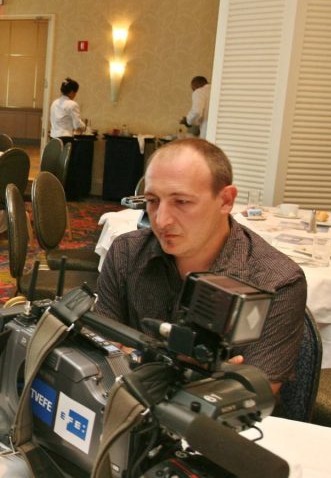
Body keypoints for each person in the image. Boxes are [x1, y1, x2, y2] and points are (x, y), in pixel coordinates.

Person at [95, 138, 306, 392]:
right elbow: (100, 354)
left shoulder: (276, 281)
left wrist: (138, 357)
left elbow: (250, 397)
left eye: (182, 202)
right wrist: (197, 376)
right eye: (152, 201)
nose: (161, 220)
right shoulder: (127, 252)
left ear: (226, 200)